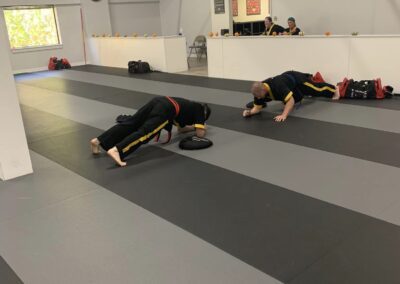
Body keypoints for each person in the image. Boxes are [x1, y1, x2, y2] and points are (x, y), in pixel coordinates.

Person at [90, 96, 211, 166]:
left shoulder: (188, 106)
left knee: (132, 123)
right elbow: (200, 134)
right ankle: (118, 150)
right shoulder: (200, 109)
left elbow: (181, 129)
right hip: (167, 109)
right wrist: (202, 126)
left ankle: (98, 141)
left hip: (159, 100)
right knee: (145, 133)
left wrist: (193, 127)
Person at [243, 71, 340, 122]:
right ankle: (303, 89)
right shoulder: (258, 91)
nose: (259, 98)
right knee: (295, 97)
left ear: (265, 89)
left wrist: (283, 115)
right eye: (257, 97)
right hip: (290, 86)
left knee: (316, 90)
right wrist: (250, 113)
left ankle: (335, 89)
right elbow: (257, 107)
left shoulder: (277, 85)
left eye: (260, 96)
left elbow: (291, 101)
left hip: (296, 79)